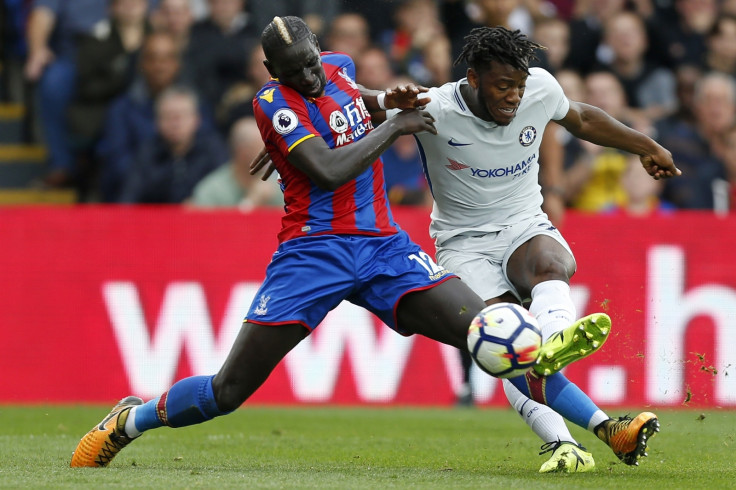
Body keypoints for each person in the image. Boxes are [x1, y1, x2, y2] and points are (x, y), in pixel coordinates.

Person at [69, 16, 605, 469]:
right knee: (227, 392)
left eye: (312, 63)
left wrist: (384, 101)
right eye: (294, 72)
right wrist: (394, 126)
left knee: (500, 339)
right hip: (313, 254)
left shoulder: (338, 69)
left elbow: (356, 103)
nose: (309, 77)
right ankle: (130, 419)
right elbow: (326, 170)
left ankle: (603, 430)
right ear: (270, 72)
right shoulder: (272, 104)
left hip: (383, 248)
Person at [379, 26, 679, 472]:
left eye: (519, 86)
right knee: (504, 348)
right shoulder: (436, 106)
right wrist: (296, 142)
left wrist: (646, 145)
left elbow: (581, 118)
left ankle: (555, 336)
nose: (514, 97)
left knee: (550, 263)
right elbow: (359, 106)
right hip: (464, 243)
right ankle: (578, 439)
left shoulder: (539, 87)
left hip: (523, 221)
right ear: (475, 79)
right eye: (503, 86)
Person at [118, 85, 228, 203]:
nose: (175, 124)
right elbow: (128, 200)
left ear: (196, 119)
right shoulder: (147, 153)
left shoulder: (213, 149)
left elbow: (226, 196)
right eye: (168, 117)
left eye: (182, 116)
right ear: (156, 122)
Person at [189, 116, 283, 209]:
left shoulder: (279, 187)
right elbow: (201, 222)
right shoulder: (212, 191)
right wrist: (250, 203)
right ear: (241, 152)